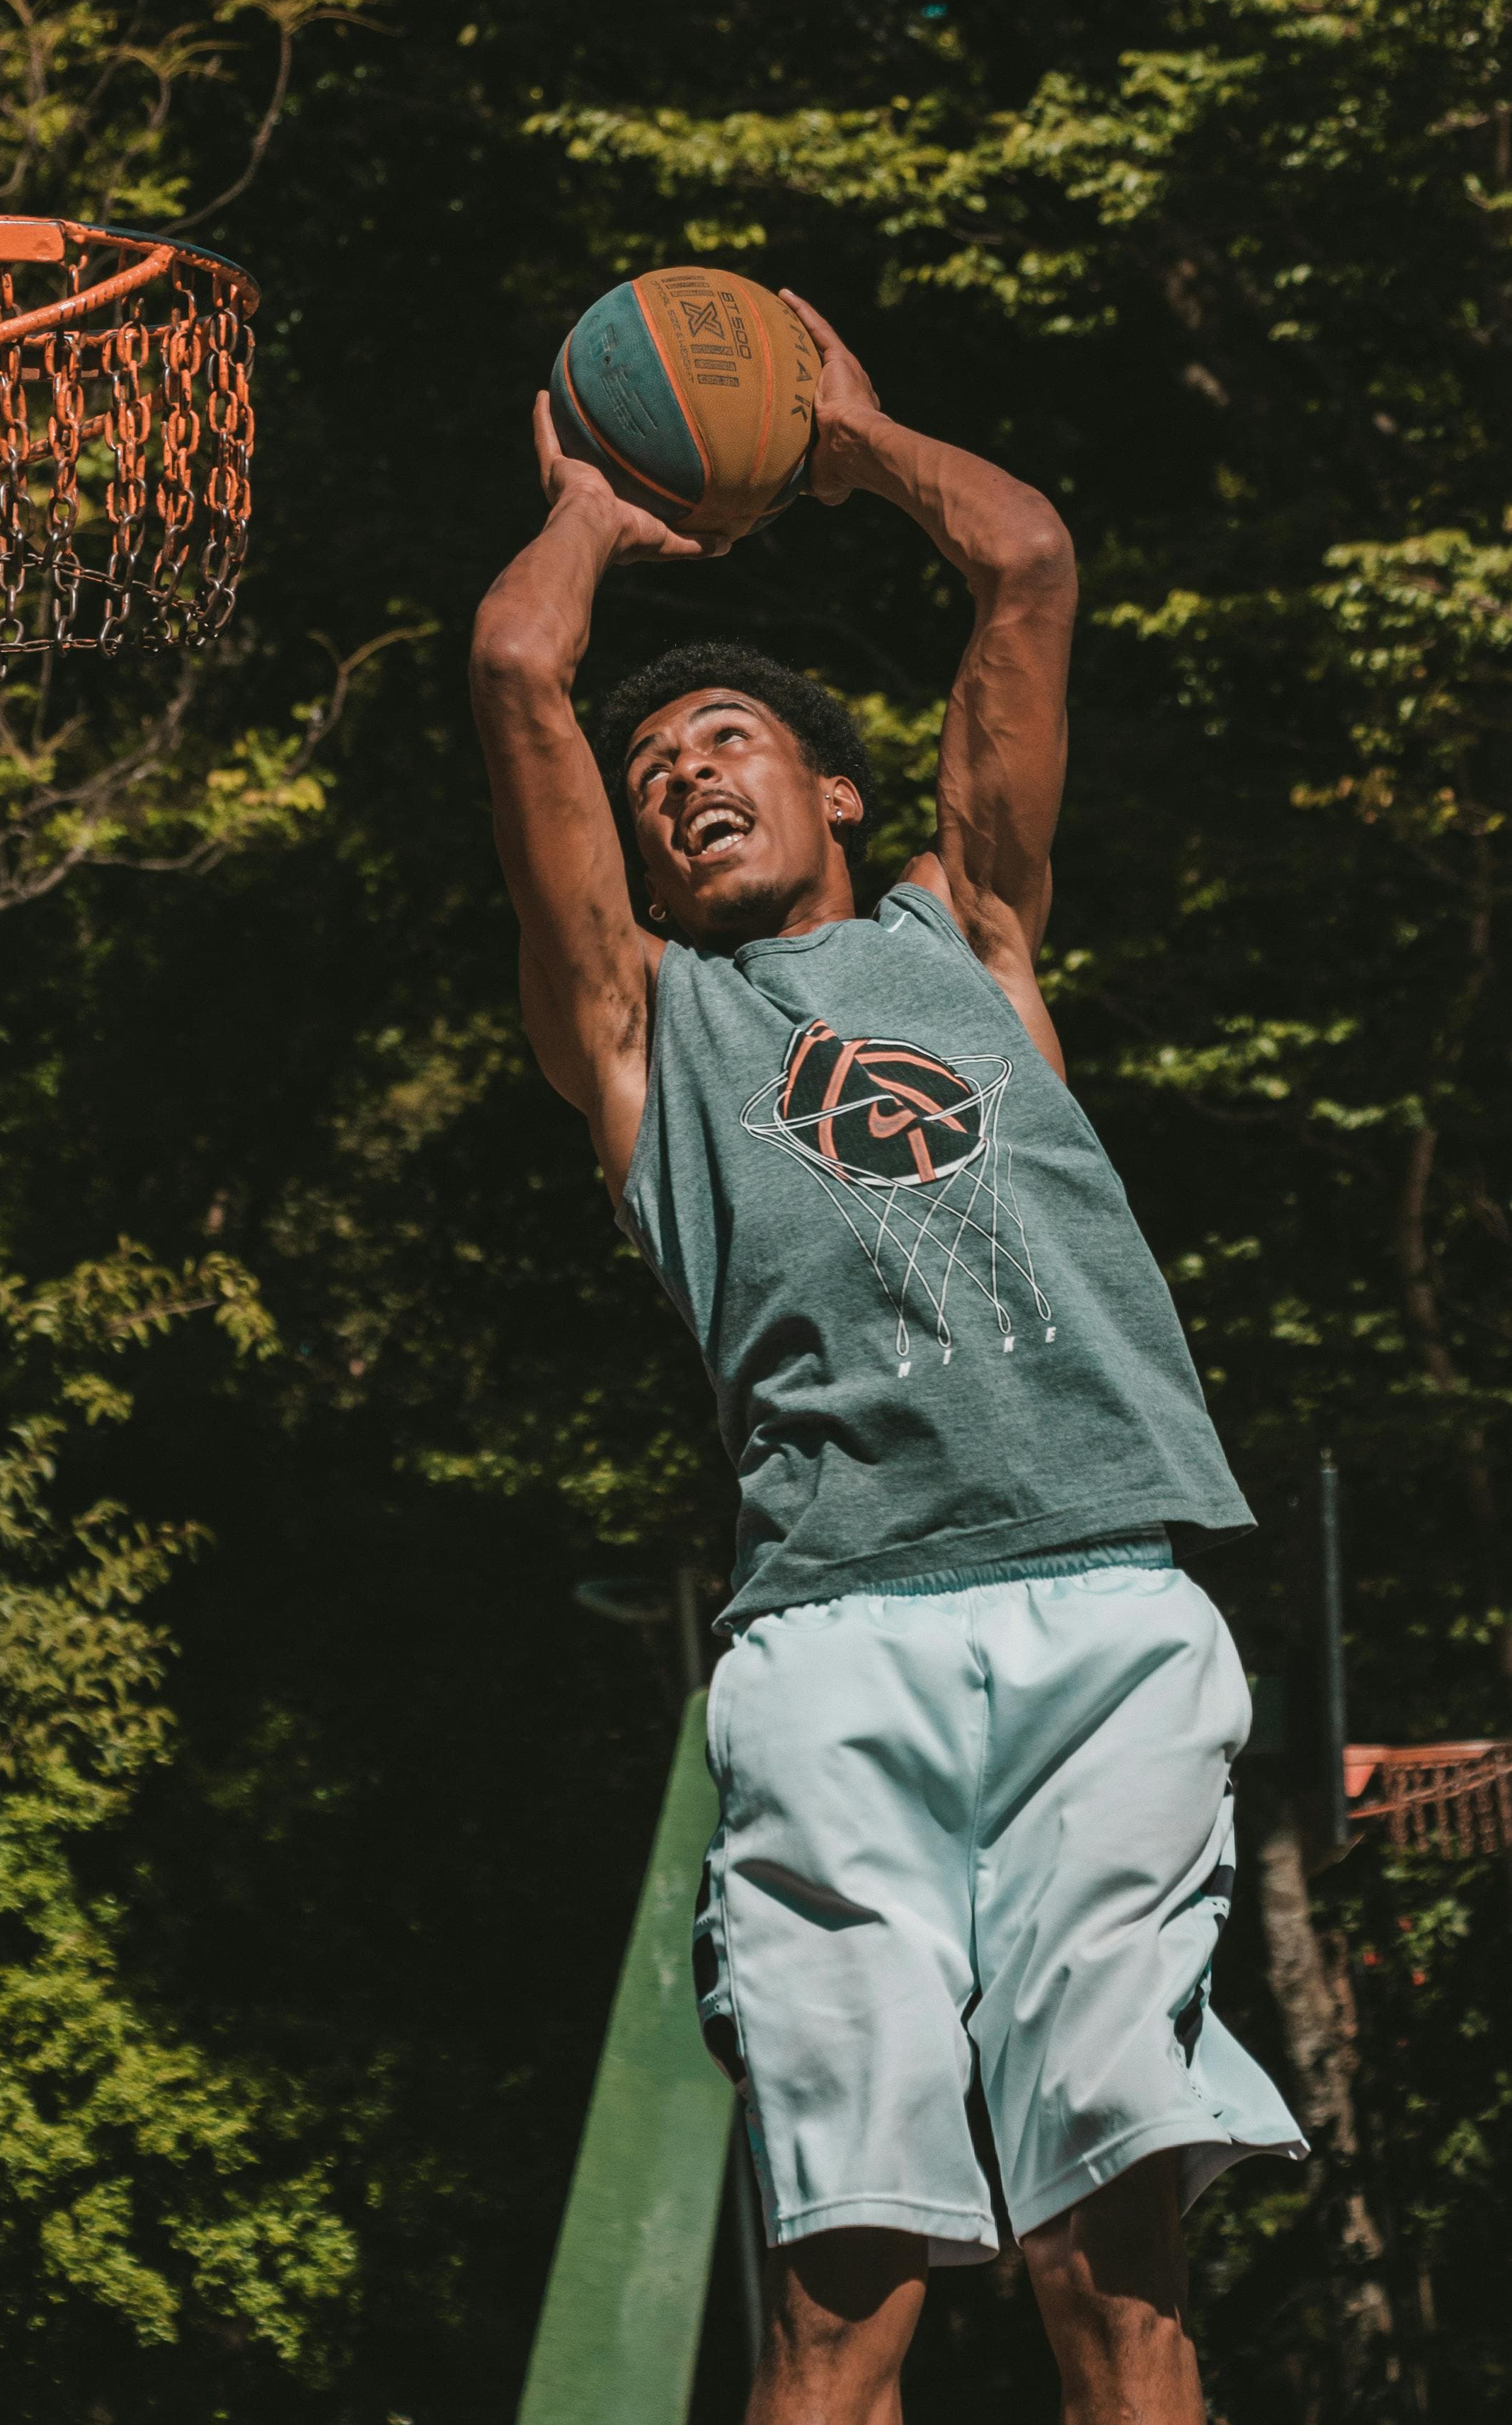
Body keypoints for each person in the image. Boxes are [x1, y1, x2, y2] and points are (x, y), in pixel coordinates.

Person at [469, 294, 1303, 2425]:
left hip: (1105, 1608)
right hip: (836, 1640)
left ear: (835, 786)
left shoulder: (973, 938)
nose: (682, 778)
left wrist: (849, 444)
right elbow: (516, 670)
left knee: (1110, 2263)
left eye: (722, 742)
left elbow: (1023, 562)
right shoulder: (640, 1039)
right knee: (843, 2291)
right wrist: (586, 513)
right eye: (653, 779)